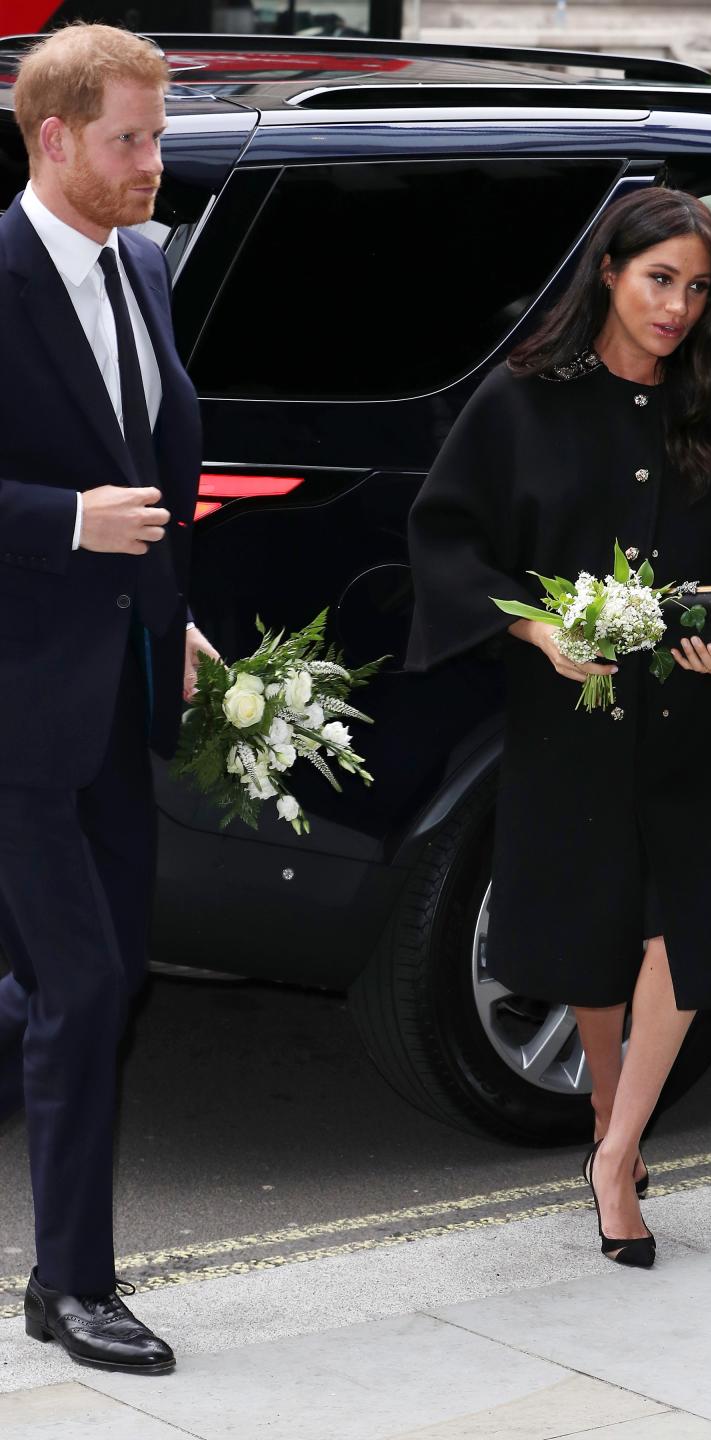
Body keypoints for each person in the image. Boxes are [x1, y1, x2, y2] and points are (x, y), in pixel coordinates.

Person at [406, 188, 711, 1268]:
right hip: (574, 716)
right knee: (590, 934)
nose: (678, 307)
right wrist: (538, 630)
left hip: (704, 725)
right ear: (607, 271)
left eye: (698, 288)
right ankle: (606, 1124)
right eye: (659, 280)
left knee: (685, 926)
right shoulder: (520, 401)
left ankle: (617, 1150)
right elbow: (452, 546)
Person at [0, 24, 217, 1370]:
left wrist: (172, 619)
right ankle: (70, 1286)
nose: (154, 162)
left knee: (92, 979)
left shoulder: (142, 262)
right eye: (132, 139)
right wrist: (66, 524)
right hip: (12, 703)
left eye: (158, 135)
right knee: (83, 986)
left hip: (118, 691)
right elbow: (92, 500)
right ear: (56, 137)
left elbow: (156, 457)